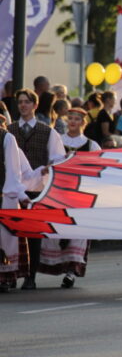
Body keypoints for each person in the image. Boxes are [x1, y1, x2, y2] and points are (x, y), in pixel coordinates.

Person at [7, 89, 66, 290]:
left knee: (33, 234)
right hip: (12, 190)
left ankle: (30, 276)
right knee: (11, 234)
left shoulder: (48, 132)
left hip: (37, 190)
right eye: (20, 102)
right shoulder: (8, 131)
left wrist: (48, 171)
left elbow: (58, 159)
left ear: (35, 105)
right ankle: (11, 273)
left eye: (27, 102)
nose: (23, 105)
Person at [38, 108, 98, 288]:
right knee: (54, 229)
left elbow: (96, 168)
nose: (72, 122)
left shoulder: (90, 145)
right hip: (58, 192)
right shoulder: (57, 141)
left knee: (77, 232)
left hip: (79, 194)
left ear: (83, 122)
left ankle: (71, 270)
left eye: (77, 119)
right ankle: (50, 265)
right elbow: (49, 162)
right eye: (70, 118)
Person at [0, 122, 40, 292]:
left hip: (4, 195)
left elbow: (13, 173)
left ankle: (4, 278)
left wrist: (21, 196)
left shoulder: (7, 138)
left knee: (4, 240)